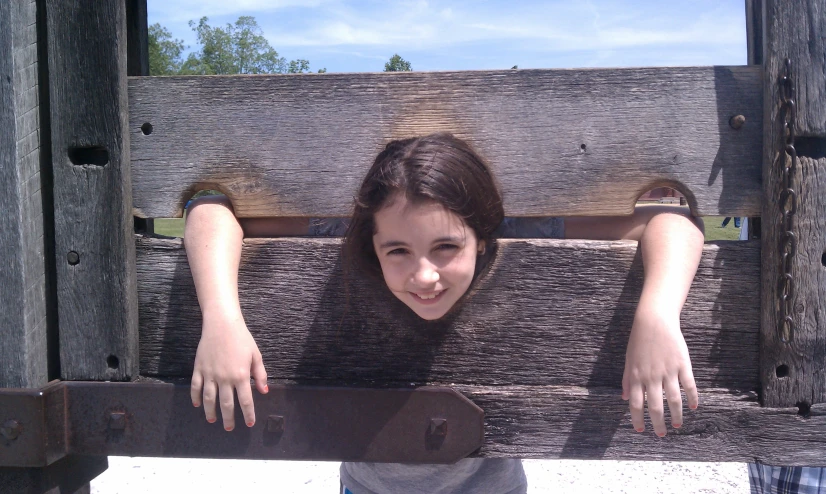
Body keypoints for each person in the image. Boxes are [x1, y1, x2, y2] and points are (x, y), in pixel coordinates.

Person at [184, 133, 704, 494]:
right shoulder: (346, 242)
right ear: (373, 244)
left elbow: (668, 220)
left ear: (483, 240)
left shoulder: (521, 238)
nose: (424, 276)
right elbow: (210, 205)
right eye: (399, 251)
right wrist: (222, 317)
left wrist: (656, 315)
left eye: (446, 248)